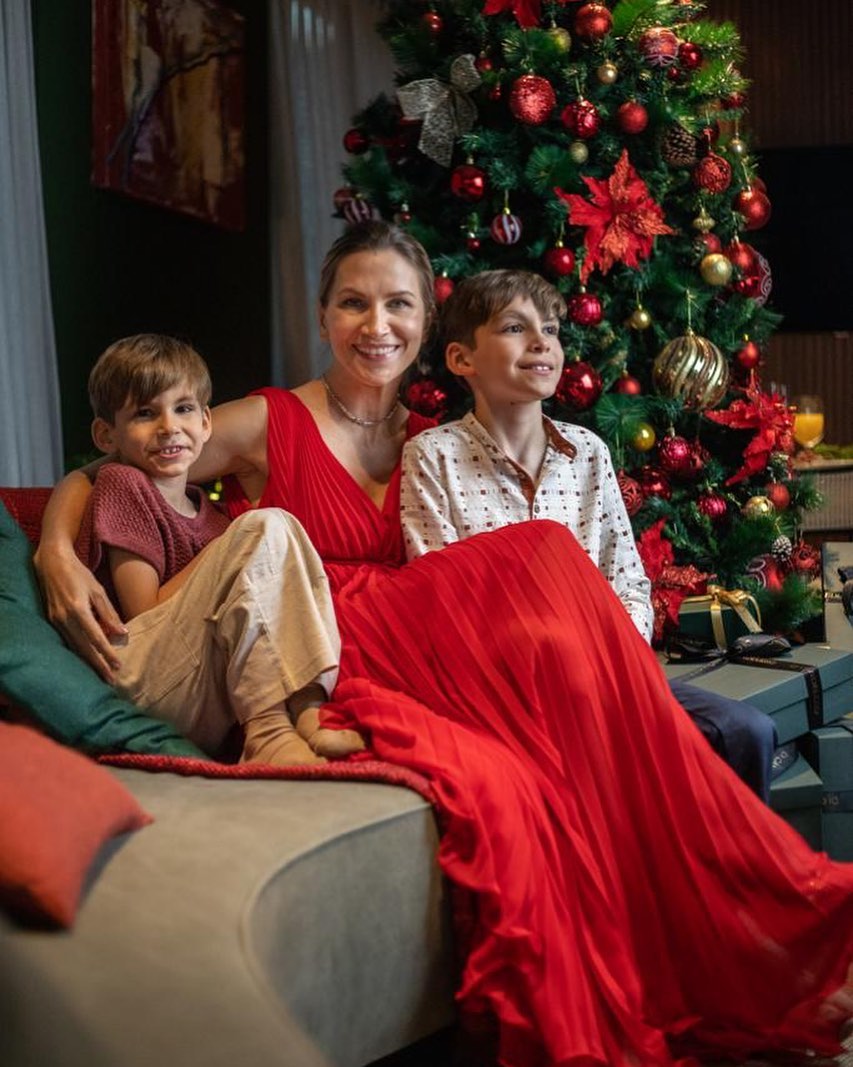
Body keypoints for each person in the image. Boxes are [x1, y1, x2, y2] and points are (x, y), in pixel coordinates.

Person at [35, 223, 853, 1067]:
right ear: (322, 316)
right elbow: (117, 464)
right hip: (329, 640)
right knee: (535, 571)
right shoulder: (267, 419)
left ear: (429, 324)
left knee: (559, 613)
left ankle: (717, 937)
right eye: (352, 302)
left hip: (437, 636)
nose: (374, 324)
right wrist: (59, 546)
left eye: (397, 304)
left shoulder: (437, 438)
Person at [400, 268, 777, 801]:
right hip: (505, 689)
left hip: (606, 671)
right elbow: (440, 598)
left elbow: (627, 581)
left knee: (746, 731)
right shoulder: (433, 456)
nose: (541, 343)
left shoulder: (588, 452)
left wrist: (610, 662)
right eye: (514, 328)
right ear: (463, 360)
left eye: (551, 330)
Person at [72, 333, 357, 764]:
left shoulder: (213, 512)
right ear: (106, 435)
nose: (169, 427)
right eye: (145, 414)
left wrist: (231, 547)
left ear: (206, 423)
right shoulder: (123, 485)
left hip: (197, 683)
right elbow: (142, 612)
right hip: (137, 677)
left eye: (183, 409)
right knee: (266, 524)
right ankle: (269, 733)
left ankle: (307, 708)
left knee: (278, 528)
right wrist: (227, 551)